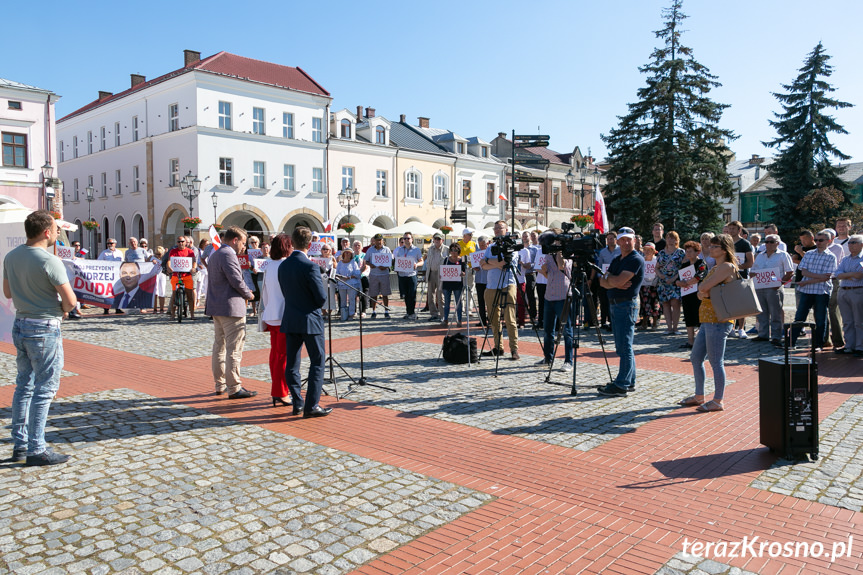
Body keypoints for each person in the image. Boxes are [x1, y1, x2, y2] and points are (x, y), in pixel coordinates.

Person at [4, 210, 77, 465]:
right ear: (46, 232)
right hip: (44, 327)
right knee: (45, 389)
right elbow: (70, 302)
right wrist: (62, 309)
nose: (58, 233)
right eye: (56, 229)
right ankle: (37, 449)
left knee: (24, 385)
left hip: (21, 323)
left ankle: (20, 444)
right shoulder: (49, 260)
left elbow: (8, 292)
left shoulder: (11, 256)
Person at [679, 233, 738, 412]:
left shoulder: (727, 266)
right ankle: (699, 396)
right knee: (696, 357)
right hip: (707, 320)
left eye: (714, 247)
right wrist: (703, 292)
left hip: (718, 320)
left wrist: (704, 291)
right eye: (710, 246)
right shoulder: (716, 266)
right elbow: (701, 290)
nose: (710, 249)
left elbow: (702, 288)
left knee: (715, 361)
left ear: (724, 249)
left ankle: (718, 400)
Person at [279, 226, 332, 418]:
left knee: (292, 363)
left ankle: (298, 403)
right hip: (310, 319)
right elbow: (320, 298)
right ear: (310, 245)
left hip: (291, 318)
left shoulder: (283, 265)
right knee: (317, 362)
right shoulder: (310, 266)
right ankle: (311, 405)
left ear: (291, 243)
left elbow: (286, 292)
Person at [205, 226, 257, 399]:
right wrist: (249, 294)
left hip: (217, 306)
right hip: (231, 308)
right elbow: (236, 280)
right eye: (243, 243)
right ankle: (234, 386)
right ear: (234, 240)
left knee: (219, 346)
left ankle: (219, 384)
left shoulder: (215, 254)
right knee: (234, 349)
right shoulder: (228, 254)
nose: (244, 247)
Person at [596, 227, 644, 397]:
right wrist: (613, 282)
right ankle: (629, 381)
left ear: (634, 240)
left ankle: (622, 384)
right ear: (618, 241)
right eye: (622, 239)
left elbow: (617, 279)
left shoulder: (635, 259)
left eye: (628, 239)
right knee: (624, 346)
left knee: (624, 347)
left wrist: (612, 281)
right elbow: (602, 281)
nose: (625, 242)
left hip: (626, 305)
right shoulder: (618, 259)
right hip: (615, 304)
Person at [789, 230, 838, 351]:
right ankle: (791, 343)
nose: (818, 242)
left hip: (822, 291)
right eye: (816, 240)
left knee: (821, 318)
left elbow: (826, 277)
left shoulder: (831, 256)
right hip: (807, 290)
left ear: (829, 241)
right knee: (799, 317)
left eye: (821, 240)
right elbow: (803, 271)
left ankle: (818, 345)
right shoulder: (809, 254)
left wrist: (807, 280)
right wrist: (818, 276)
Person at [481, 220, 521, 360]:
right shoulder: (491, 246)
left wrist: (491, 262)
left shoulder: (512, 245)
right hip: (491, 285)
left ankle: (514, 349)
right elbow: (482, 264)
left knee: (510, 318)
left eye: (500, 228)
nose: (497, 230)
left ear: (507, 229)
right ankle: (498, 347)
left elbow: (506, 263)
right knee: (493, 319)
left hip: (507, 284)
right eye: (496, 228)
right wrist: (496, 264)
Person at [260, 233, 293, 407]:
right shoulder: (285, 265)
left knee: (275, 355)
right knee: (282, 357)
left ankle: (278, 390)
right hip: (283, 315)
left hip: (272, 313)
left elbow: (264, 292)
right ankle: (280, 392)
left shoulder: (269, 265)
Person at [539, 233, 574, 371]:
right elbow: (547, 274)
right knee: (548, 330)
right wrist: (543, 271)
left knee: (566, 330)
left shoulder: (567, 254)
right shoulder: (548, 254)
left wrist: (559, 251)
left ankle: (568, 361)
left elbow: (561, 266)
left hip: (563, 295)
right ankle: (548, 357)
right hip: (550, 294)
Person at [751, 234, 794, 345]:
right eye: (766, 242)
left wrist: (779, 284)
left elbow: (790, 272)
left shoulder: (783, 255)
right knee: (761, 312)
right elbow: (753, 270)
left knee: (776, 313)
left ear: (777, 243)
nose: (768, 244)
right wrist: (753, 276)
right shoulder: (760, 255)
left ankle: (776, 336)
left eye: (771, 242)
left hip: (774, 288)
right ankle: (763, 334)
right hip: (760, 287)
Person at [835, 234, 863, 356]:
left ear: (861, 245)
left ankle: (860, 347)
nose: (850, 245)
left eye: (854, 242)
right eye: (850, 243)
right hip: (843, 291)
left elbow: (859, 276)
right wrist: (851, 274)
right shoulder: (845, 259)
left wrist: (846, 274)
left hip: (858, 291)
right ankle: (849, 346)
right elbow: (837, 274)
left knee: (859, 321)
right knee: (847, 321)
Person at [677, 241, 707, 349]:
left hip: (698, 294)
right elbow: (677, 279)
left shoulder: (701, 263)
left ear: (697, 252)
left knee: (699, 318)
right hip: (686, 294)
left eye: (690, 251)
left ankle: (702, 342)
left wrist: (686, 283)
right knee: (688, 317)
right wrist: (680, 283)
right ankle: (690, 342)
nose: (688, 253)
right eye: (686, 251)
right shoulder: (684, 265)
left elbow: (699, 276)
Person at [728, 221, 754, 339]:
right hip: (728, 276)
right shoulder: (726, 243)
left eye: (733, 229)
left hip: (741, 276)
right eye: (730, 228)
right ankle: (731, 328)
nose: (731, 231)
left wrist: (738, 267)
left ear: (739, 230)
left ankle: (741, 329)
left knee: (741, 304)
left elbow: (750, 262)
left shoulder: (745, 243)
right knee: (730, 303)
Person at [656, 231, 685, 335]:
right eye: (668, 237)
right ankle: (669, 328)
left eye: (673, 238)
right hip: (663, 282)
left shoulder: (681, 252)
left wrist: (674, 279)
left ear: (677, 240)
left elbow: (683, 268)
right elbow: (657, 268)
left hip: (675, 282)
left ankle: (676, 327)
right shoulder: (661, 253)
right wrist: (660, 275)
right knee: (665, 304)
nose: (670, 240)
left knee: (675, 303)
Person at [821, 229, 845, 350]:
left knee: (833, 310)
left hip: (833, 280)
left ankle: (838, 340)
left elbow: (838, 265)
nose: (819, 241)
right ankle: (824, 340)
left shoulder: (838, 248)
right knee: (821, 310)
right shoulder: (817, 249)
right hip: (819, 280)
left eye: (823, 239)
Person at [394, 232, 423, 320]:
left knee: (412, 294)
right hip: (402, 275)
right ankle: (408, 312)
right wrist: (397, 267)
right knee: (405, 295)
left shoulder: (416, 250)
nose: (406, 240)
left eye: (408, 238)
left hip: (412, 275)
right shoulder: (399, 250)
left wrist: (416, 265)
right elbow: (397, 261)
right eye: (405, 238)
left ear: (412, 239)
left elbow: (421, 261)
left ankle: (412, 312)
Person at [167, 236, 198, 320]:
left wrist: (193, 268)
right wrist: (169, 267)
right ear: (177, 243)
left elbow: (194, 261)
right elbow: (169, 260)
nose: (181, 243)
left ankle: (192, 315)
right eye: (179, 242)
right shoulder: (173, 251)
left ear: (185, 242)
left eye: (182, 241)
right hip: (176, 275)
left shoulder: (190, 251)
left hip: (187, 275)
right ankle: (173, 315)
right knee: (174, 295)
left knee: (189, 295)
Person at [594, 231, 620, 330]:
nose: (609, 241)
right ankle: (604, 321)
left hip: (616, 279)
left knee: (614, 301)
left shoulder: (620, 251)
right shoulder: (603, 252)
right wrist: (599, 276)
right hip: (605, 280)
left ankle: (613, 321)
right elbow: (599, 266)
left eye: (611, 238)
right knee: (604, 301)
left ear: (616, 240)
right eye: (608, 239)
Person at [365, 233, 393, 319]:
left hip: (384, 274)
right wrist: (371, 265)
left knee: (385, 294)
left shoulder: (387, 249)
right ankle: (374, 311)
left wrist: (385, 267)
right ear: (374, 241)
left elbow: (390, 262)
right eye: (377, 240)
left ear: (382, 241)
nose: (378, 242)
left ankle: (386, 311)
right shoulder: (370, 250)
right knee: (374, 294)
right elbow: (366, 261)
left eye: (380, 240)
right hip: (374, 274)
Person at [441, 244, 466, 327]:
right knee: (447, 303)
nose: (454, 252)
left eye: (455, 250)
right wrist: (442, 274)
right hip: (447, 283)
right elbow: (443, 270)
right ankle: (445, 319)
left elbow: (465, 271)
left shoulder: (462, 259)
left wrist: (463, 273)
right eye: (452, 250)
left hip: (457, 284)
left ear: (458, 251)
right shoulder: (446, 260)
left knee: (458, 303)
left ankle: (459, 320)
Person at [638, 243, 661, 330]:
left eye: (649, 250)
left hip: (654, 285)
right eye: (645, 250)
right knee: (644, 304)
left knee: (654, 303)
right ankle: (644, 323)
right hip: (643, 285)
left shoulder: (656, 260)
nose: (647, 252)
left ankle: (655, 322)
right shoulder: (641, 260)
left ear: (653, 251)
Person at [424, 233, 447, 322]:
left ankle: (443, 315)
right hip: (431, 272)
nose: (437, 241)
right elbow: (428, 262)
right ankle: (433, 314)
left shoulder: (446, 249)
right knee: (430, 295)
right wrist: (426, 274)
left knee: (440, 295)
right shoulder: (430, 249)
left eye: (439, 239)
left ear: (442, 240)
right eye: (435, 239)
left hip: (441, 274)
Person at [98, 238, 124, 314]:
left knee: (118, 291)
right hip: (108, 275)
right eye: (108, 243)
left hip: (117, 275)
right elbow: (99, 262)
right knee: (107, 292)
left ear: (115, 244)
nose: (109, 245)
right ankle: (106, 308)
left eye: (111, 243)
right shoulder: (104, 253)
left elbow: (122, 262)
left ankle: (118, 308)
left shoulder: (119, 252)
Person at [336, 248, 362, 320]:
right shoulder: (340, 263)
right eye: (346, 253)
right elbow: (336, 273)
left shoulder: (353, 262)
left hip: (351, 283)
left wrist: (350, 277)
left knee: (351, 299)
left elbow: (357, 273)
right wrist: (341, 277)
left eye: (349, 253)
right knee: (343, 300)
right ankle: (343, 314)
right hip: (342, 283)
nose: (347, 254)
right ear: (343, 254)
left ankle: (351, 314)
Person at [317, 243, 338, 317]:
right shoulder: (318, 259)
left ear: (330, 251)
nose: (325, 251)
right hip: (320, 280)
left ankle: (329, 312)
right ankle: (323, 312)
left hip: (329, 280)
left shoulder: (332, 259)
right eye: (324, 249)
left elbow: (335, 269)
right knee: (321, 296)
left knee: (330, 296)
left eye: (327, 249)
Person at [530, 231, 546, 329]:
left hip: (550, 281)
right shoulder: (539, 250)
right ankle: (541, 321)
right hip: (541, 280)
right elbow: (536, 265)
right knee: (541, 302)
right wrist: (544, 272)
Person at [474, 235, 489, 327]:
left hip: (489, 279)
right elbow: (474, 263)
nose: (481, 247)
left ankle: (491, 320)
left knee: (490, 301)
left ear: (487, 243)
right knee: (481, 301)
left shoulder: (490, 252)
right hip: (479, 279)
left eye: (483, 245)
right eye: (480, 245)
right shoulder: (477, 252)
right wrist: (474, 267)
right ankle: (482, 320)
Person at [352, 240, 370, 318]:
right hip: (353, 277)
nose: (357, 247)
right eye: (355, 245)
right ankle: (354, 311)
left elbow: (366, 266)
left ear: (362, 247)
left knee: (363, 294)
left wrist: (361, 272)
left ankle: (363, 311)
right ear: (352, 247)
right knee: (353, 295)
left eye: (358, 245)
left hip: (363, 276)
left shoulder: (365, 255)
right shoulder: (351, 256)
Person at [153, 246, 167, 313]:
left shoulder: (164, 259)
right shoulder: (152, 258)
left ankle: (162, 308)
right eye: (157, 254)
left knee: (162, 292)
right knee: (155, 292)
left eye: (160, 254)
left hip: (162, 275)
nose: (158, 256)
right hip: (154, 275)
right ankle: (155, 308)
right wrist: (151, 261)